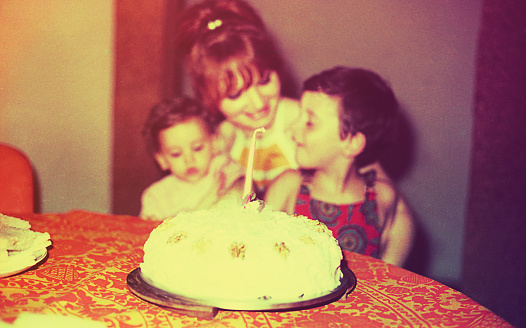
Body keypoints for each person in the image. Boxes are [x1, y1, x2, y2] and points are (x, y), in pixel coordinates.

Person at [176, 0, 392, 199]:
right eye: (235, 94)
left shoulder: (306, 122)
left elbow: (383, 191)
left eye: (264, 81)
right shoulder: (217, 140)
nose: (258, 103)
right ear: (208, 97)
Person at [265, 67, 415, 267]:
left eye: (309, 122)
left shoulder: (382, 197)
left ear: (352, 142)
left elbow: (390, 271)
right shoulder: (288, 188)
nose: (291, 129)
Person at [139, 96, 245, 220]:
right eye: (176, 154)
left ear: (213, 144)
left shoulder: (221, 168)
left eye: (197, 148)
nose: (189, 160)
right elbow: (146, 231)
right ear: (162, 160)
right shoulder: (156, 196)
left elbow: (241, 187)